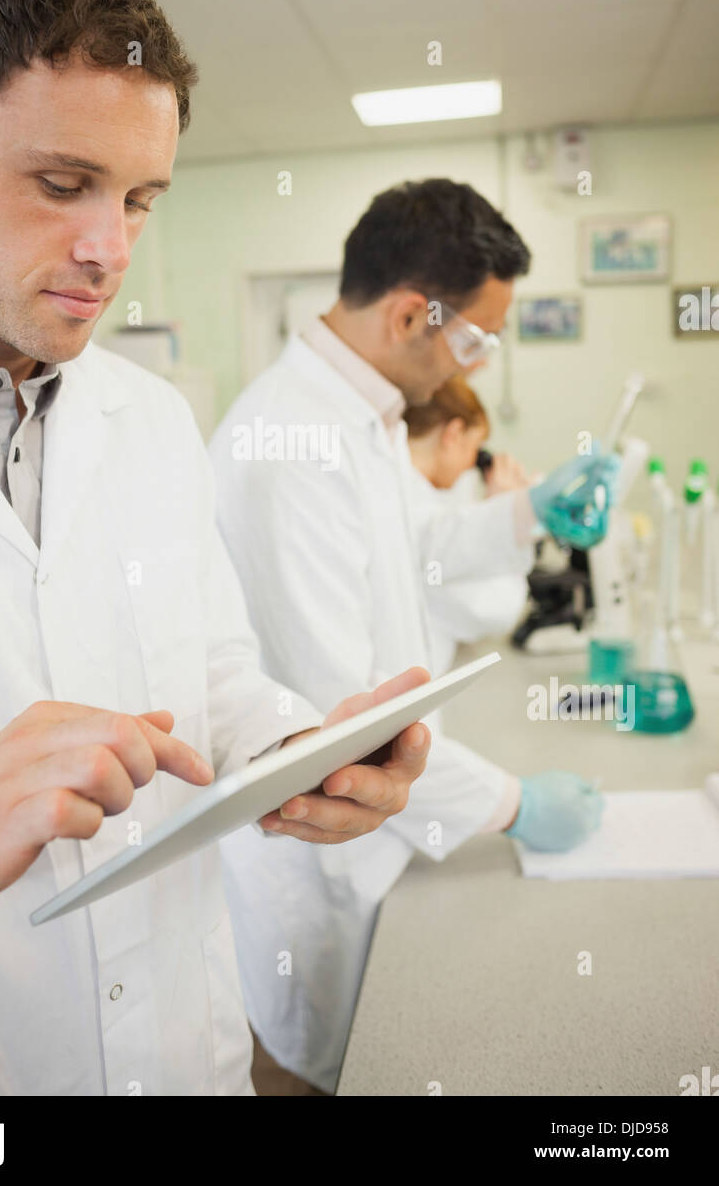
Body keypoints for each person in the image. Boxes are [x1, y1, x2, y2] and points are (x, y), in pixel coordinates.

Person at [0, 0, 434, 1097]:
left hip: (187, 1059)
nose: (109, 249)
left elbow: (206, 671)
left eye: (140, 199)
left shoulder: (152, 419)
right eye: (62, 185)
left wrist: (287, 749)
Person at [210, 179, 613, 1094]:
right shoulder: (285, 447)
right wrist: (512, 801)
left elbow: (422, 545)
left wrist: (525, 511)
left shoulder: (365, 417)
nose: (477, 365)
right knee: (341, 1071)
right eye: (472, 338)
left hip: (382, 836)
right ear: (407, 315)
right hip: (317, 860)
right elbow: (335, 713)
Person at [404, 376, 531, 674]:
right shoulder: (421, 520)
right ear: (454, 433)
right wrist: (506, 515)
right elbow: (497, 610)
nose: (470, 465)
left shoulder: (410, 496)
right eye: (475, 447)